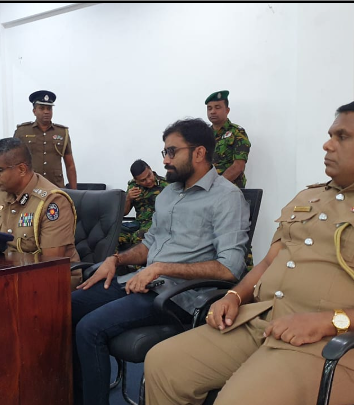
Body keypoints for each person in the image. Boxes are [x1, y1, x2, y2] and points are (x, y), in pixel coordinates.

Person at [144, 99, 354, 405]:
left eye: (342, 136)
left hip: (337, 344)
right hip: (265, 322)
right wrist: (234, 296)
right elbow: (270, 261)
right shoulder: (309, 196)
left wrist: (329, 322)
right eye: (330, 135)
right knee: (163, 363)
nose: (328, 145)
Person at [71, 118, 250, 405]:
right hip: (144, 281)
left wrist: (161, 268)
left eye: (172, 152)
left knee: (89, 328)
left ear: (199, 153)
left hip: (178, 296)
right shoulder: (168, 193)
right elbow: (150, 243)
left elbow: (230, 268)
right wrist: (115, 259)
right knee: (66, 307)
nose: (165, 160)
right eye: (164, 152)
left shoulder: (226, 197)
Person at [0, 138, 81, 288]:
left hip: (49, 281)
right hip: (7, 274)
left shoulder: (52, 202)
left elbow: (50, 265)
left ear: (22, 169)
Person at [13, 90, 77, 189]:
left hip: (55, 187)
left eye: (49, 108)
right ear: (34, 111)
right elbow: (13, 162)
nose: (46, 112)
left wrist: (74, 192)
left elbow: (70, 165)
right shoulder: (22, 132)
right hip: (30, 186)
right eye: (42, 108)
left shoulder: (62, 133)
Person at [118, 159, 169, 251]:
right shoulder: (133, 187)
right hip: (139, 224)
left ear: (150, 169)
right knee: (114, 234)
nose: (148, 181)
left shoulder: (166, 184)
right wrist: (128, 198)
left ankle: (137, 261)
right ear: (136, 180)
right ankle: (115, 260)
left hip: (157, 224)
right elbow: (124, 212)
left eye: (149, 175)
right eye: (143, 180)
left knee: (139, 236)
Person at [205, 90, 251, 188]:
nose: (212, 111)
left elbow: (238, 166)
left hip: (230, 189)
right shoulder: (204, 134)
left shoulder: (237, 132)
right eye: (209, 108)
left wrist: (216, 186)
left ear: (227, 110)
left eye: (217, 107)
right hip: (205, 188)